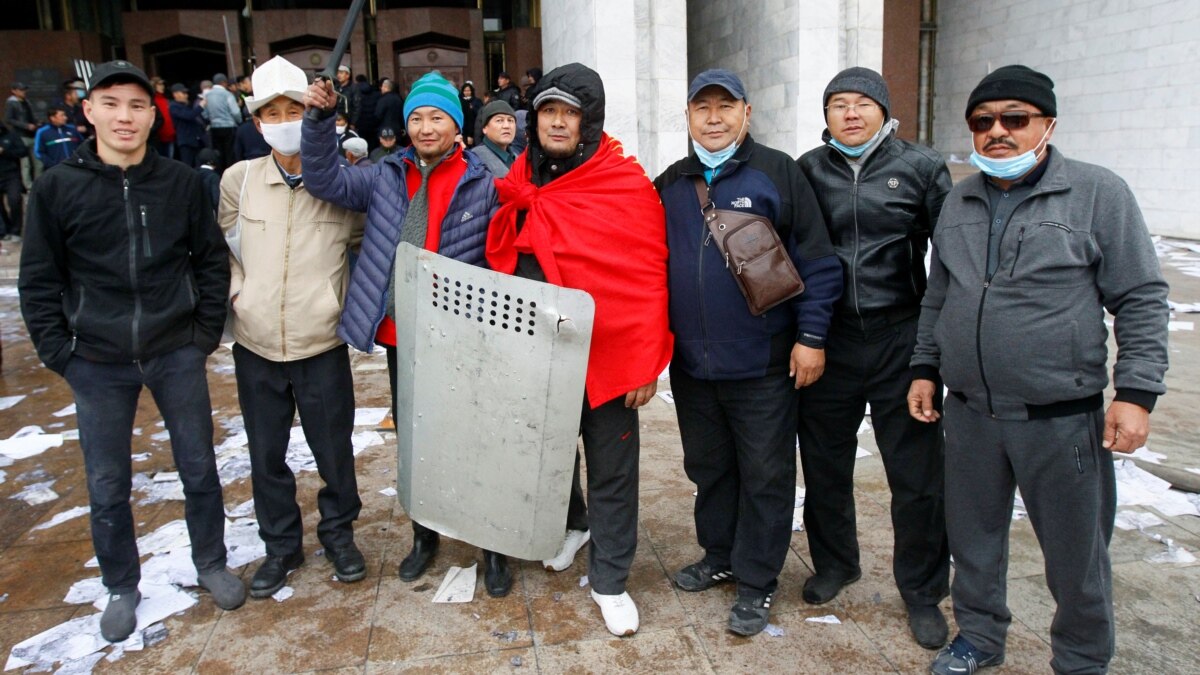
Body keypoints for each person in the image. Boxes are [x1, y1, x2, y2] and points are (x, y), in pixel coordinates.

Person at [906, 65, 1169, 675]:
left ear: (1047, 124)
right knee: (973, 542)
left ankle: (1080, 658)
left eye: (1014, 119)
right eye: (983, 122)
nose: (997, 132)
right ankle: (979, 638)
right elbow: (939, 295)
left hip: (1059, 418)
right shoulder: (961, 199)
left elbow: (1140, 295)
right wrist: (926, 366)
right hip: (970, 412)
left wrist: (1136, 392)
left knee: (1076, 556)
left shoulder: (1097, 192)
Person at [18, 60, 244, 643]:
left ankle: (211, 562)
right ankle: (121, 584)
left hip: (175, 351)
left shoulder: (180, 183)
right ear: (88, 111)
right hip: (95, 358)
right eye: (112, 103)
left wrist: (201, 335)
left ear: (153, 115)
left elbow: (210, 261)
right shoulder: (57, 187)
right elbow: (39, 280)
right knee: (107, 481)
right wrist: (60, 353)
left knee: (198, 466)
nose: (125, 116)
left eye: (138, 105)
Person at [301, 70, 509, 595]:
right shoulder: (383, 175)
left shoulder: (482, 181)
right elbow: (325, 180)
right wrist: (319, 121)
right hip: (403, 334)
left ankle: (493, 545)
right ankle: (425, 535)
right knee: (417, 443)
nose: (424, 127)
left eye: (437, 116)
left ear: (457, 126)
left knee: (476, 441)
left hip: (462, 336)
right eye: (416, 117)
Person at [653, 69, 842, 636]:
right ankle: (720, 556)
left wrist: (811, 339)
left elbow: (818, 262)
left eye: (725, 107)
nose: (713, 118)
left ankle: (758, 581)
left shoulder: (778, 172)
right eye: (702, 108)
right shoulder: (671, 181)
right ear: (687, 117)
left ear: (746, 113)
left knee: (765, 474)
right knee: (709, 468)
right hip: (693, 366)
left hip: (762, 364)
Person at [487, 62, 673, 637]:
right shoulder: (521, 173)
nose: (559, 122)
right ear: (534, 118)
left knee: (612, 469)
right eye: (549, 110)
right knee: (549, 455)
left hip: (609, 356)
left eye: (570, 112)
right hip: (538, 352)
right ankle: (574, 525)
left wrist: (645, 362)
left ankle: (611, 579)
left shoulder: (623, 181)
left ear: (589, 121)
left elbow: (648, 276)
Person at [795, 67, 952, 648]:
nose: (852, 113)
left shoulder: (922, 168)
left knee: (915, 476)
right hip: (830, 337)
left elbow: (951, 261)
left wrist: (931, 358)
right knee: (825, 463)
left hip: (900, 335)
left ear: (885, 112)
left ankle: (922, 591)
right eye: (839, 104)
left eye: (864, 103)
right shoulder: (808, 170)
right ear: (827, 114)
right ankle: (836, 563)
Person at [219, 56, 368, 599]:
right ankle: (281, 544)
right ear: (257, 123)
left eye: (294, 110)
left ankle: (339, 533)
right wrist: (238, 288)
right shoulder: (239, 181)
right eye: (272, 113)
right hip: (256, 342)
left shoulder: (341, 187)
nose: (284, 120)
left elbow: (364, 249)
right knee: (266, 452)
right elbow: (223, 246)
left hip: (320, 341)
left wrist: (347, 305)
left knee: (333, 449)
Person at [469, 100, 516, 177]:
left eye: (510, 120)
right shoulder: (475, 160)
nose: (507, 126)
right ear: (485, 128)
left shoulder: (518, 158)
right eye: (499, 120)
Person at [206, 73, 241, 174]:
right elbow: (235, 112)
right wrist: (239, 121)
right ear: (224, 83)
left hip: (214, 127)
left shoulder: (207, 95)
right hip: (228, 126)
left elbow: (205, 113)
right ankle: (230, 174)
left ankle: (220, 174)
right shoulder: (227, 94)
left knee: (219, 153)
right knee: (230, 153)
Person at [6, 82, 38, 187]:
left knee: (37, 161)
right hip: (21, 135)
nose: (23, 92)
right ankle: (28, 185)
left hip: (32, 134)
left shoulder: (26, 102)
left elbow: (31, 115)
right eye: (20, 90)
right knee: (26, 164)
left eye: (24, 90)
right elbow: (9, 119)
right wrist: (25, 125)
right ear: (14, 91)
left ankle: (38, 182)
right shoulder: (11, 103)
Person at [33, 105, 83, 171]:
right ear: (52, 118)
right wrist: (52, 164)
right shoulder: (42, 132)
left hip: (75, 168)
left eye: (65, 115)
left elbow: (82, 145)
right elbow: (38, 152)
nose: (65, 118)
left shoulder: (72, 129)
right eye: (62, 115)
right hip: (55, 170)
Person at [0, 121, 28, 240]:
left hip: (11, 174)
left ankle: (16, 230)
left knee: (15, 199)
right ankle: (4, 230)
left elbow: (23, 151)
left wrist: (5, 151)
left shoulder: (11, 135)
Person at [170, 84, 207, 168]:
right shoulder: (174, 106)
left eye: (186, 93)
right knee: (187, 165)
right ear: (175, 94)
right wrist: (200, 106)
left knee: (197, 164)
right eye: (183, 93)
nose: (186, 95)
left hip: (194, 140)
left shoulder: (184, 105)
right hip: (185, 141)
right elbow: (189, 116)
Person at [149, 77, 176, 159]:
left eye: (162, 84)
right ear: (154, 86)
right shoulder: (151, 100)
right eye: (159, 84)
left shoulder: (165, 100)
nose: (162, 86)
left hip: (170, 136)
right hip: (157, 137)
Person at [333, 64, 360, 130]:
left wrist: (353, 123)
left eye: (341, 73)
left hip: (348, 122)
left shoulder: (353, 88)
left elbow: (357, 107)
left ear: (348, 75)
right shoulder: (335, 87)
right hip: (336, 121)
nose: (338, 75)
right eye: (338, 73)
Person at [459, 82, 483, 147]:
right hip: (463, 130)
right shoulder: (460, 101)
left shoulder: (476, 101)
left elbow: (480, 112)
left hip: (474, 129)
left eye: (468, 90)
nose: (467, 92)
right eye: (465, 90)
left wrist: (472, 109)